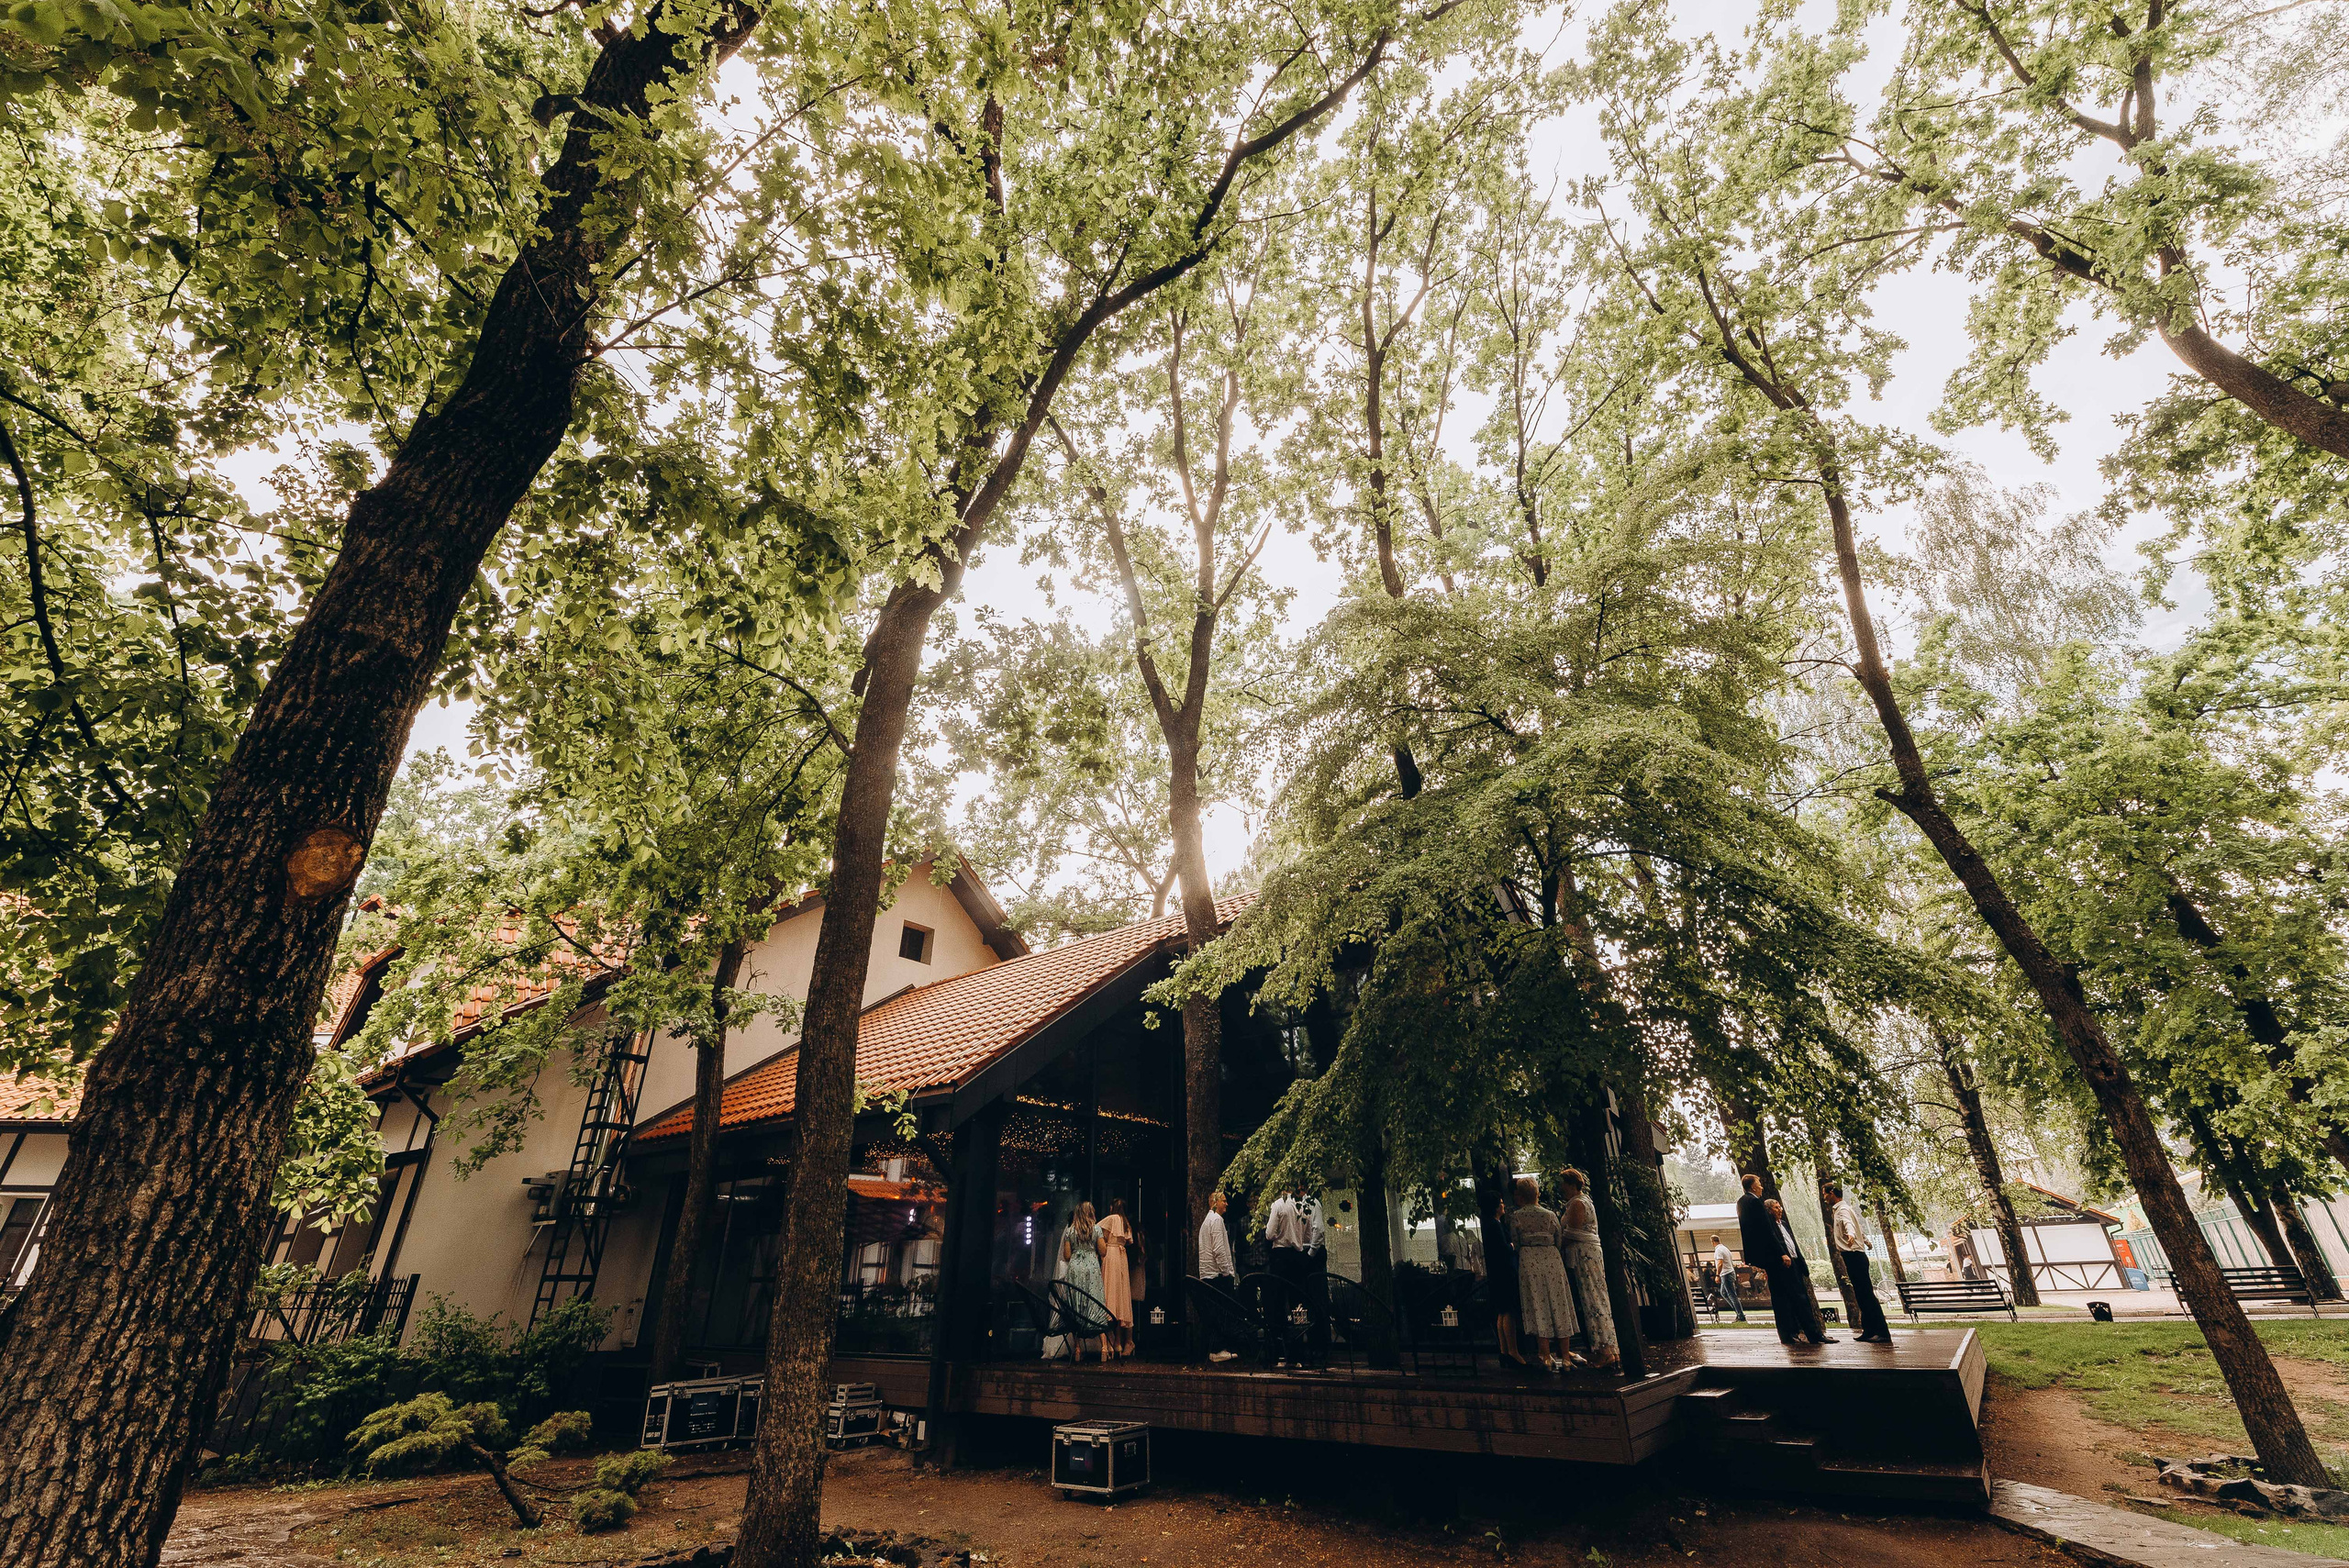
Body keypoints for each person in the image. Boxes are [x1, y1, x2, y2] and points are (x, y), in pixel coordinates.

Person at [1738, 1173, 1829, 1347]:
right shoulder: (1756, 1203)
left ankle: (1788, 1334)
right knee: (1799, 1297)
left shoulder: (1742, 1203)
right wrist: (1782, 1253)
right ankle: (1813, 1334)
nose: (1762, 1187)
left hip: (1769, 1259)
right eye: (1759, 1183)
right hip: (1779, 1259)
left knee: (1780, 1299)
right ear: (1752, 1186)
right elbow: (1766, 1231)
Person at [1507, 1177, 1579, 1372]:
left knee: (1538, 1305)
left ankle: (1546, 1356)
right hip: (1551, 1258)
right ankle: (1565, 1357)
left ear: (1521, 1196)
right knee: (1560, 1303)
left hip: (1529, 1260)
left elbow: (1516, 1241)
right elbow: (1558, 1239)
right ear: (1537, 1193)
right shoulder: (1550, 1215)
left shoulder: (1517, 1216)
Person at [1555, 1168, 1619, 1372]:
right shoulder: (1584, 1201)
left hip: (1585, 1255)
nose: (1561, 1188)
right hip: (1588, 1253)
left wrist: (1554, 1246)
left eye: (1564, 1183)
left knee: (1592, 1299)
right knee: (1597, 1298)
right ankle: (1609, 1348)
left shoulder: (1577, 1203)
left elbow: (1572, 1232)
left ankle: (1605, 1351)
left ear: (1572, 1184)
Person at [1265, 1185, 1326, 1368]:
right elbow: (1309, 1232)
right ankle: (1297, 1354)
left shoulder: (1277, 1205)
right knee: (1297, 1306)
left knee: (1277, 1305)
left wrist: (1279, 1234)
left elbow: (1269, 1234)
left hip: (1280, 1257)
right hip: (1298, 1256)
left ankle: (1276, 1354)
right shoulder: (1303, 1208)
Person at [1825, 1182, 1892, 1344]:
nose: (1824, 1197)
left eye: (1825, 1193)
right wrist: (1866, 1241)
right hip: (1855, 1255)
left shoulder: (1842, 1210)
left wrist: (1851, 1236)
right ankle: (1868, 1330)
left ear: (1833, 1193)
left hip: (1854, 1255)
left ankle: (1882, 1332)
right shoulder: (1844, 1209)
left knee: (1867, 1295)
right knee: (1862, 1295)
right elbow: (1858, 1227)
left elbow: (1850, 1225)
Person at [1765, 1195, 1836, 1346]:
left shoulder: (1783, 1224)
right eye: (1776, 1207)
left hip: (1795, 1262)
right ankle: (1802, 1333)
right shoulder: (1769, 1226)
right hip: (1784, 1266)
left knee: (1803, 1299)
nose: (1780, 1210)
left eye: (1780, 1207)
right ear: (1769, 1210)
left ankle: (1813, 1333)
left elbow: (1792, 1243)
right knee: (1795, 1300)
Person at [1060, 1201, 1114, 1362]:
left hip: (1075, 1268)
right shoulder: (1096, 1229)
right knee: (1095, 1302)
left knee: (1076, 1304)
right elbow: (1103, 1251)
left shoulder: (1070, 1231)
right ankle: (1104, 1347)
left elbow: (1067, 1256)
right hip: (1091, 1267)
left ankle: (1077, 1349)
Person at [1197, 1191, 1240, 1362]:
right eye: (1224, 1201)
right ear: (1214, 1202)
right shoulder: (1216, 1220)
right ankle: (1217, 1349)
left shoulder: (1208, 1221)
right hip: (1217, 1274)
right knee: (1221, 1312)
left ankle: (1212, 1349)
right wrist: (1227, 1272)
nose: (1227, 1204)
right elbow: (1219, 1250)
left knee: (1212, 1312)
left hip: (1208, 1273)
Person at [1487, 1193, 1527, 1366]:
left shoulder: (1491, 1224)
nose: (1503, 1206)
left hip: (1498, 1274)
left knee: (1502, 1312)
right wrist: (1511, 1246)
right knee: (1508, 1311)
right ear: (1496, 1207)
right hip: (1504, 1273)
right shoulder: (1495, 1226)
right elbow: (1505, 1248)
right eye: (1501, 1203)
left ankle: (1504, 1351)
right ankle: (1512, 1351)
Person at [1100, 1197, 1136, 1357]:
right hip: (1122, 1257)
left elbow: (1101, 1234)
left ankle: (1111, 1340)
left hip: (1112, 1254)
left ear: (1111, 1207)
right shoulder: (1125, 1222)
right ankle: (1119, 1342)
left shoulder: (1112, 1218)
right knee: (1121, 1295)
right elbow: (1129, 1241)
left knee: (1110, 1295)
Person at [1712, 1237, 1747, 1322]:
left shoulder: (1718, 1250)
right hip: (1730, 1272)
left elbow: (1720, 1263)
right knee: (1723, 1292)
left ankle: (1741, 1316)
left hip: (1726, 1274)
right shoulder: (1725, 1248)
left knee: (1732, 1295)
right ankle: (1738, 1313)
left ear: (1712, 1242)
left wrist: (1717, 1275)